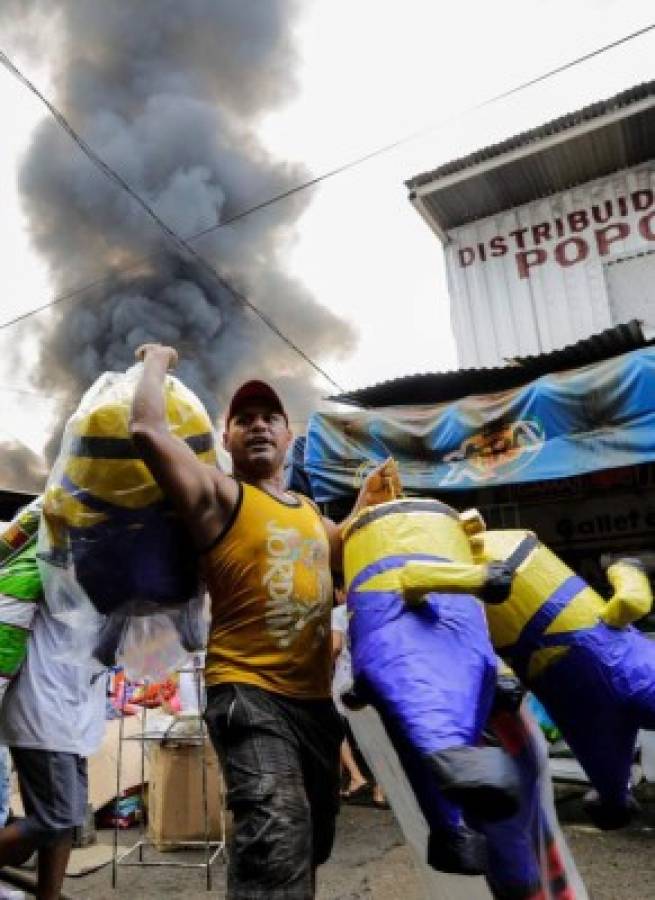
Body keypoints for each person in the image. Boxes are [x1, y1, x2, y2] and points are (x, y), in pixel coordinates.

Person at [129, 343, 400, 900]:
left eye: (269, 418)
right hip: (246, 693)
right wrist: (155, 360)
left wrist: (366, 508)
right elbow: (147, 432)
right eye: (243, 420)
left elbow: (359, 561)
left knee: (311, 842)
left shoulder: (316, 520)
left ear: (287, 437)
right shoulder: (218, 494)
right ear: (226, 440)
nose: (257, 426)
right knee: (277, 832)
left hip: (314, 704)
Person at [0, 578, 106, 900]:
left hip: (71, 708)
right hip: (43, 703)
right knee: (56, 817)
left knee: (66, 822)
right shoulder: (62, 556)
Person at [331, 581, 387, 808]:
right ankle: (380, 790)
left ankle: (356, 776)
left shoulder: (339, 613)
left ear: (341, 593)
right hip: (371, 679)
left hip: (345, 681)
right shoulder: (374, 609)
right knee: (376, 737)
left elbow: (335, 647)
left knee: (333, 729)